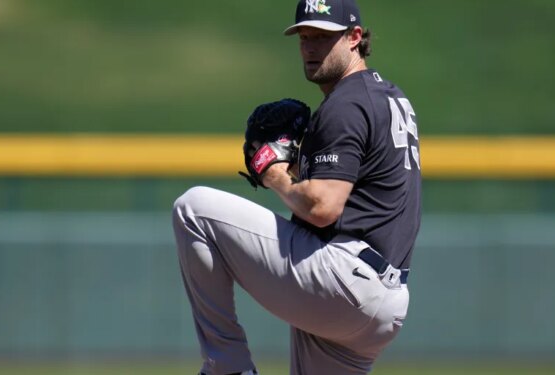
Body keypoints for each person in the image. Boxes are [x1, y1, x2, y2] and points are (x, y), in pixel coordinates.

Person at [171, 0, 421, 374]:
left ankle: (227, 365)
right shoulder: (388, 96)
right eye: (304, 36)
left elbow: (323, 207)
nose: (309, 46)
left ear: (355, 38)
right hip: (384, 301)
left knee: (194, 210)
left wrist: (273, 171)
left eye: (323, 36)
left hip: (345, 281)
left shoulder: (347, 104)